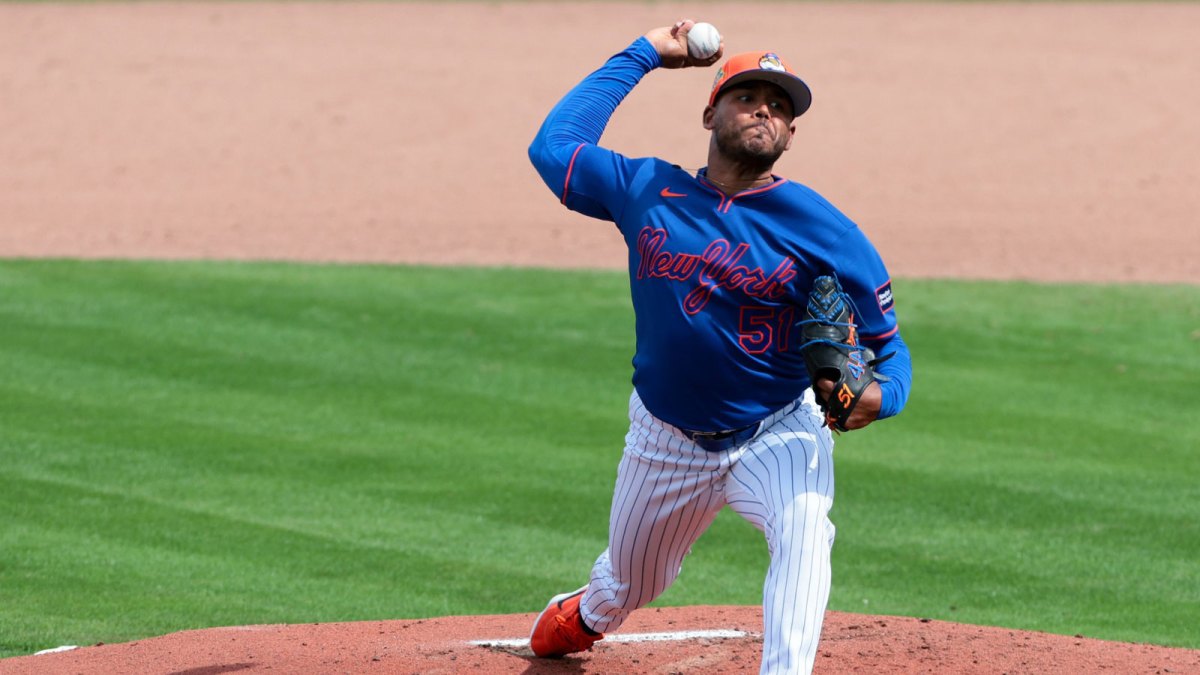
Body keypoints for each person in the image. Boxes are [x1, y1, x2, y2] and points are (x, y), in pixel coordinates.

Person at [525, 19, 913, 674]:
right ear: (711, 110)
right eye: (748, 96)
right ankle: (590, 609)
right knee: (631, 583)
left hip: (780, 430)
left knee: (805, 535)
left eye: (781, 106)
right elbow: (553, 146)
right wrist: (644, 54)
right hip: (665, 440)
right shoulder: (646, 189)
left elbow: (890, 350)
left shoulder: (827, 230)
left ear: (791, 134)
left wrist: (880, 396)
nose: (765, 109)